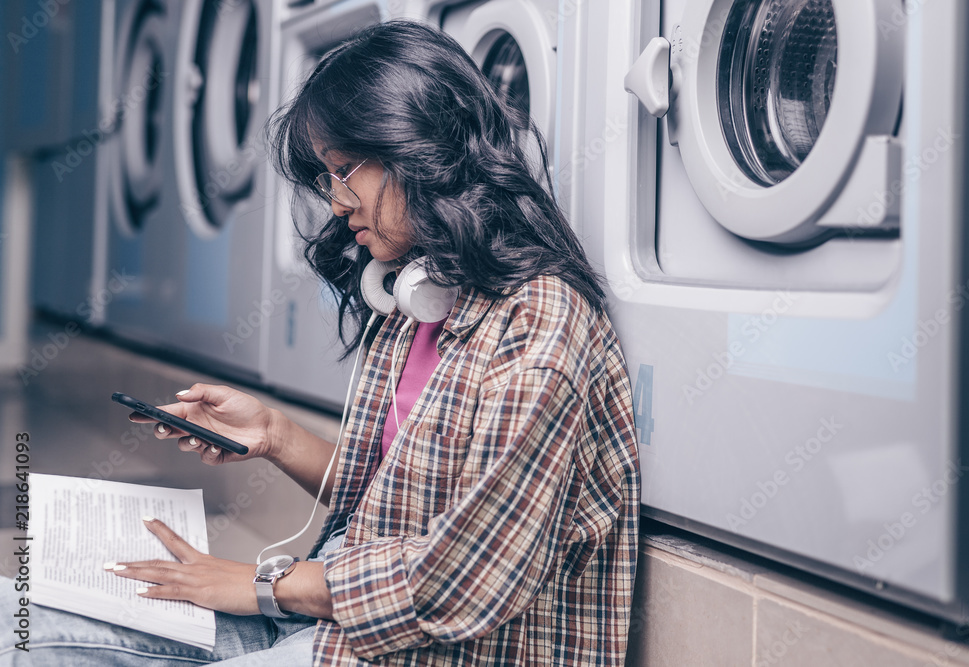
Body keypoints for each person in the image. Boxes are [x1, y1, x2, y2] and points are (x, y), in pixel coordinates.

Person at [0, 20, 640, 666]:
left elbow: (462, 577)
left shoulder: (543, 319)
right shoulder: (418, 297)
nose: (335, 203)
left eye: (343, 171)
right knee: (15, 616)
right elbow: (388, 499)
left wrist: (260, 584)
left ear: (415, 144)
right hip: (335, 621)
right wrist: (275, 434)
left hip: (417, 649)